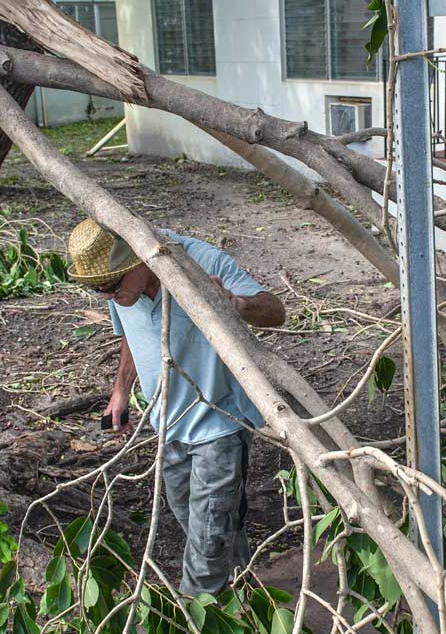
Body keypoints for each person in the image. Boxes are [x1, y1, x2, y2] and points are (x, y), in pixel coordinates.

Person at [65, 219, 286, 596]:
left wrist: (236, 304)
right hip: (167, 425)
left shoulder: (202, 262)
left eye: (113, 286)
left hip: (219, 425)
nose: (108, 297)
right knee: (197, 519)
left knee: (208, 533)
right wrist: (120, 392)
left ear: (138, 257)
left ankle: (196, 615)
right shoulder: (123, 292)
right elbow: (132, 339)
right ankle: (242, 594)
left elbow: (275, 312)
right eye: (97, 291)